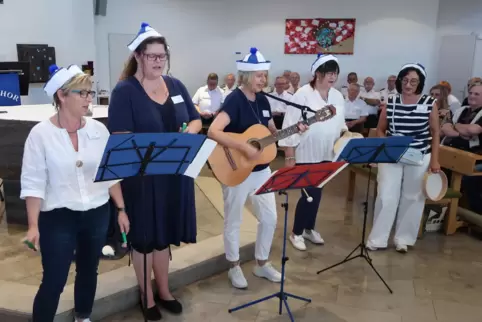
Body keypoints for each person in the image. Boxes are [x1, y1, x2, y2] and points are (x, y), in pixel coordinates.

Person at [107, 22, 201, 320]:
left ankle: (164, 289)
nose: (159, 61)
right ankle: (145, 295)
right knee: (145, 238)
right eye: (152, 56)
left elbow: (197, 120)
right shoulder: (125, 91)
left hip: (174, 175)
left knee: (164, 236)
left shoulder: (176, 85)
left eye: (162, 56)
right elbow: (121, 138)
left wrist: (188, 133)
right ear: (138, 56)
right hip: (143, 180)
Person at [21, 64, 129, 322]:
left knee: (89, 270)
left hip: (96, 213)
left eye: (89, 93)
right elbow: (33, 183)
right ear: (62, 95)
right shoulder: (40, 135)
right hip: (58, 217)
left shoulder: (98, 130)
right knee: (55, 279)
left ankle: (83, 316)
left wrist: (122, 209)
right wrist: (33, 226)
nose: (88, 98)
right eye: (82, 93)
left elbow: (110, 175)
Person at [208, 47, 306, 289]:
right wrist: (244, 146)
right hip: (236, 169)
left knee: (270, 218)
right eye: (260, 76)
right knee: (234, 220)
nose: (265, 80)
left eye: (265, 75)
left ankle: (262, 263)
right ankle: (233, 266)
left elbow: (271, 132)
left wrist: (294, 130)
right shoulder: (234, 100)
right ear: (246, 76)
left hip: (262, 170)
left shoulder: (263, 99)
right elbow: (213, 131)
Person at [367, 63, 440, 253]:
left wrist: (435, 160)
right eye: (405, 80)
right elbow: (381, 129)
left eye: (413, 81)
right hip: (392, 154)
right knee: (385, 195)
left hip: (419, 154)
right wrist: (387, 144)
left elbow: (435, 132)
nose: (408, 84)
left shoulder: (429, 103)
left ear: (420, 83)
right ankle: (378, 239)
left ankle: (403, 239)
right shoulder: (391, 101)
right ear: (400, 81)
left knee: (413, 197)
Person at [279, 54, 344, 251]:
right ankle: (296, 232)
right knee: (309, 194)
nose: (332, 77)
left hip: (328, 151)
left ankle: (309, 228)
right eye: (328, 73)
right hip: (306, 152)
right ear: (317, 74)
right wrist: (289, 155)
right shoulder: (303, 94)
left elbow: (340, 125)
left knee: (318, 192)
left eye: (335, 73)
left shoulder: (337, 96)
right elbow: (289, 124)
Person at [441, 81, 482, 213]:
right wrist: (461, 132)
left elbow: (474, 130)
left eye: (477, 94)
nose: (472, 96)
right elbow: (444, 128)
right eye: (470, 93)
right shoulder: (462, 110)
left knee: (468, 180)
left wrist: (455, 126)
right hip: (452, 152)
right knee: (435, 170)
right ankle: (442, 209)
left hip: (474, 157)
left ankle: (471, 214)